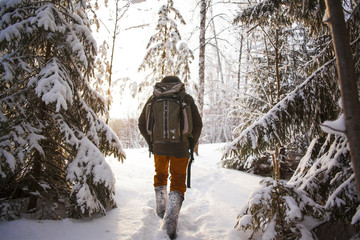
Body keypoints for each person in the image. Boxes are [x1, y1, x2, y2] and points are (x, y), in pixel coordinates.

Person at [138, 76, 202, 239]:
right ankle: (170, 224)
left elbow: (141, 123)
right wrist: (191, 144)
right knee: (178, 179)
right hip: (180, 147)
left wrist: (152, 144)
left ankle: (161, 210)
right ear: (178, 85)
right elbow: (198, 124)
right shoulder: (185, 98)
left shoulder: (154, 98)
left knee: (160, 175)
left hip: (159, 146)